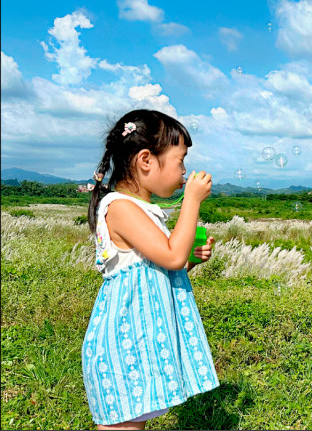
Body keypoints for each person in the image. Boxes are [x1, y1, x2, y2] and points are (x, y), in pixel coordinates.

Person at [82, 109, 219, 429]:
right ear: (146, 160)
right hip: (124, 343)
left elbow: (165, 259)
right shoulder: (121, 207)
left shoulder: (138, 208)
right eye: (180, 160)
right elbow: (170, 256)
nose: (184, 170)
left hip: (138, 341)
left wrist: (189, 259)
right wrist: (192, 200)